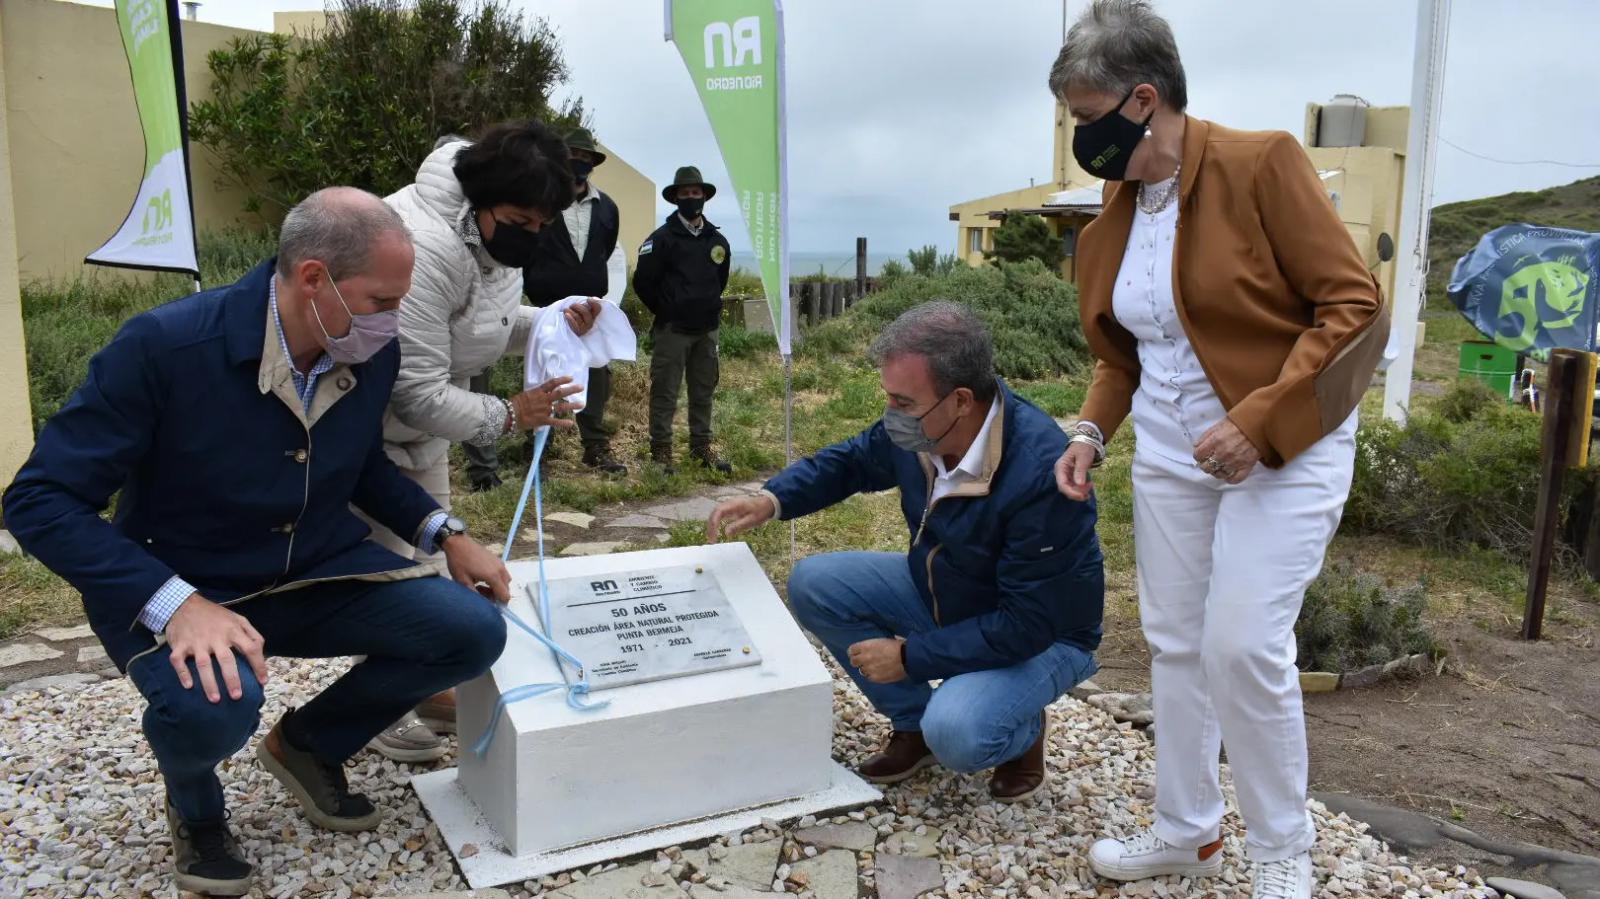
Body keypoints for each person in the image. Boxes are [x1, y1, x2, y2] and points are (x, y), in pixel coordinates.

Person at [0, 189, 512, 898]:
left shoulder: (367, 348)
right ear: (312, 278)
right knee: (214, 706)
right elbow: (38, 499)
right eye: (381, 301)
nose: (393, 323)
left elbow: (363, 466)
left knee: (472, 630)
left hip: (312, 572)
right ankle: (195, 804)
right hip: (187, 584)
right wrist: (175, 604)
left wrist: (446, 532)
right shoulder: (164, 347)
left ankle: (309, 745)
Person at [1046, 3, 1389, 897]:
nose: (1079, 138)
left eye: (1086, 117)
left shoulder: (1260, 161)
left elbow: (1353, 307)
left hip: (1288, 444)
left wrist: (1261, 419)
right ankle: (1187, 830)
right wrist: (1090, 427)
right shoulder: (1116, 209)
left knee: (1241, 643)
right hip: (1169, 454)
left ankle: (1282, 848)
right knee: (1175, 644)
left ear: (1144, 99)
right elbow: (1126, 350)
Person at [706, 302, 1104, 802]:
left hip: (1046, 635)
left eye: (903, 402)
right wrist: (774, 498)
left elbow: (1028, 622)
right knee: (815, 583)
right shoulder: (922, 429)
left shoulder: (1042, 474)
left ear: (961, 400)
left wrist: (910, 656)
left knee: (960, 734)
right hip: (951, 594)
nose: (891, 415)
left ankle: (1021, 732)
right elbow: (852, 461)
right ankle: (914, 727)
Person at [367, 120, 603, 762]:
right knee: (386, 577)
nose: (534, 234)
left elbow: (479, 328)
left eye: (544, 224)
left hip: (421, 432)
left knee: (435, 570)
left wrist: (552, 319)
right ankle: (374, 707)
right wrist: (512, 412)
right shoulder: (421, 245)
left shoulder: (488, 238)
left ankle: (416, 684)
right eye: (522, 221)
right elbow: (412, 391)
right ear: (478, 204)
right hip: (365, 434)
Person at [633, 165, 733, 474]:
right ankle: (661, 451)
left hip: (707, 330)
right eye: (685, 193)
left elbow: (721, 280)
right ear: (676, 198)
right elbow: (643, 282)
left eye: (696, 192)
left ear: (704, 196)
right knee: (665, 391)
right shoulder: (660, 239)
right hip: (672, 330)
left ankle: (701, 447)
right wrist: (667, 309)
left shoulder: (717, 241)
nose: (692, 197)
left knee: (703, 390)